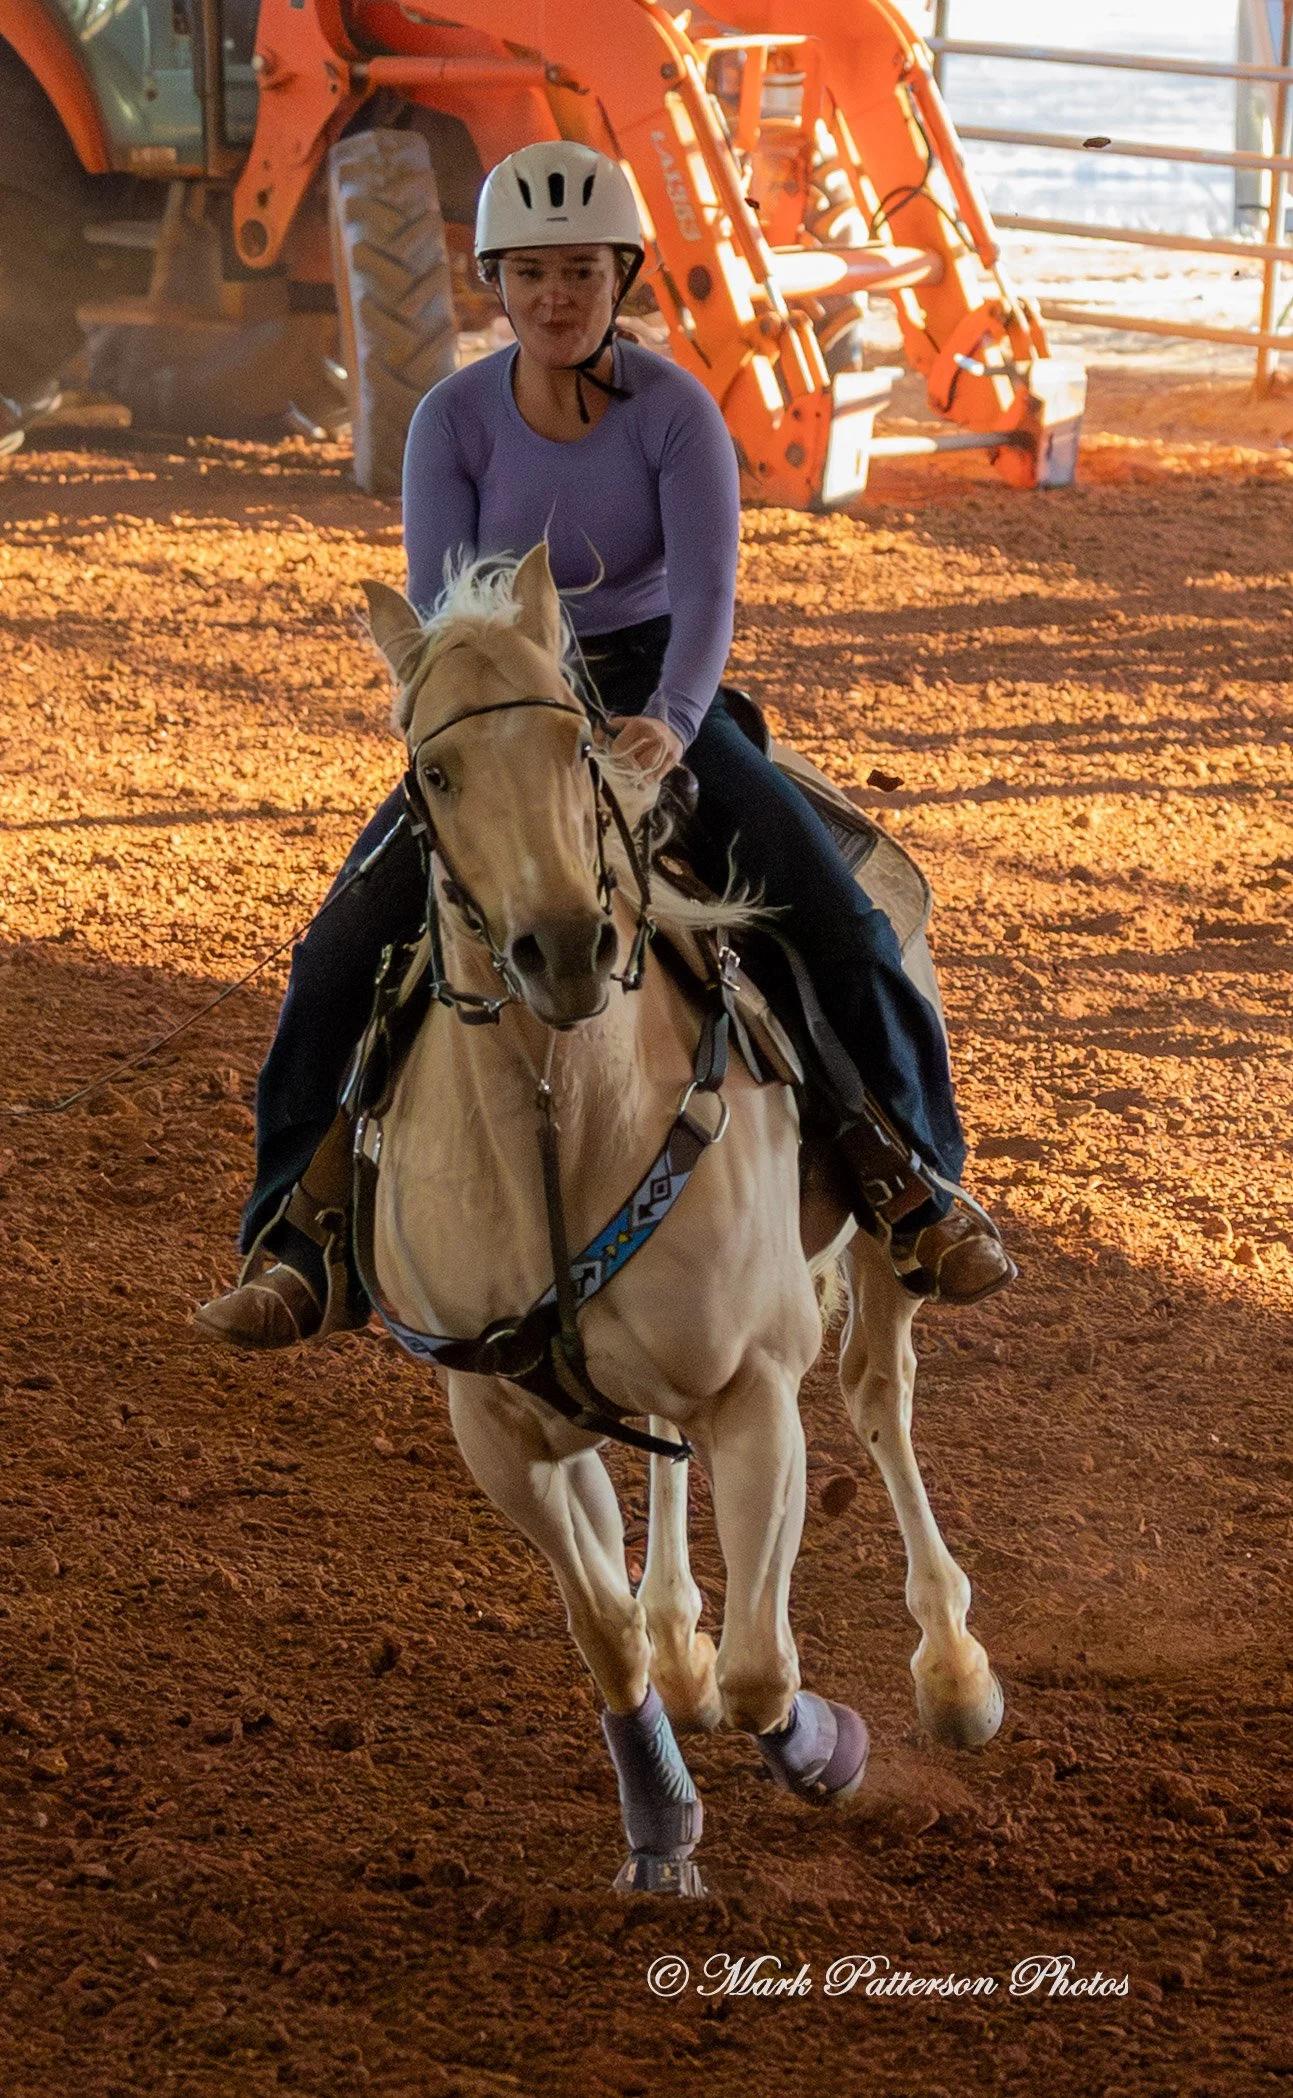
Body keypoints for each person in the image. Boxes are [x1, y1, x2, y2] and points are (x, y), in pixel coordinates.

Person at [196, 141, 1013, 1351]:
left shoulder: (677, 414)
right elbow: (449, 617)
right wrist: (515, 716)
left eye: (580, 272)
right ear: (496, 285)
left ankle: (917, 1181)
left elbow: (709, 595)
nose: (556, 298)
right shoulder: (448, 422)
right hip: (503, 707)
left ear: (621, 275)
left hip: (648, 695)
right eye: (530, 276)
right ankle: (297, 1240)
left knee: (835, 914)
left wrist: (672, 728)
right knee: (334, 956)